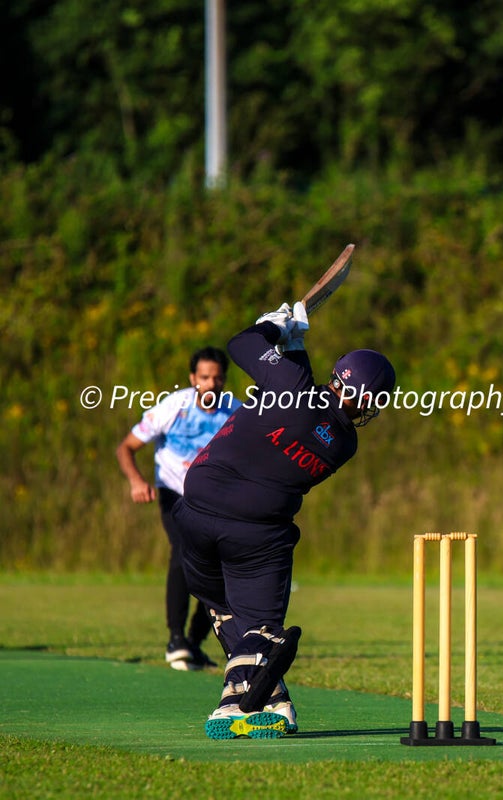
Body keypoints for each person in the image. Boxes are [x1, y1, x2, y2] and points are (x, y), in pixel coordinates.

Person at [172, 302, 396, 739]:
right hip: (255, 534)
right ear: (370, 401)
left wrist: (272, 328)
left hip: (195, 513)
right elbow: (306, 401)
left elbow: (242, 344)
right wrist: (293, 346)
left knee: (225, 610)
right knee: (262, 629)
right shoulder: (344, 443)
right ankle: (231, 705)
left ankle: (274, 700)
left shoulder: (290, 386)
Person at [116, 346, 241, 671]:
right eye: (204, 377)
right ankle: (175, 639)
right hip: (175, 493)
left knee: (220, 567)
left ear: (224, 380)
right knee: (183, 552)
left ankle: (194, 643)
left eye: (217, 378)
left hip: (213, 500)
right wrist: (136, 481)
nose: (211, 384)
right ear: (192, 378)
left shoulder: (235, 412)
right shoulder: (173, 407)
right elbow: (126, 447)